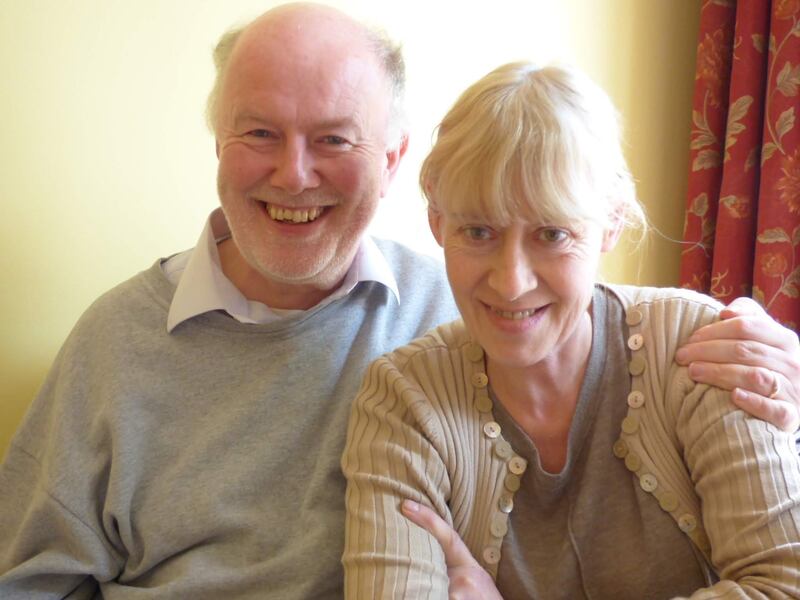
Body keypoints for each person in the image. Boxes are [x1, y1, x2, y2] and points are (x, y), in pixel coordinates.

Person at [0, 3, 796, 599]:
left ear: (392, 159)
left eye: (335, 139)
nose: (295, 174)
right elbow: (30, 577)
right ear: (220, 148)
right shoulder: (116, 339)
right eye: (260, 135)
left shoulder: (463, 308)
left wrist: (764, 351)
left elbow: (583, 309)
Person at [342, 62, 800, 598]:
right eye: (479, 230)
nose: (511, 283)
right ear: (438, 224)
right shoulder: (404, 398)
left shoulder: (697, 346)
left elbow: (784, 583)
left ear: (610, 223)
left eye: (552, 233)